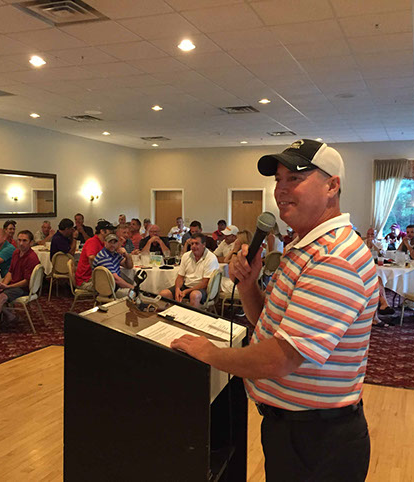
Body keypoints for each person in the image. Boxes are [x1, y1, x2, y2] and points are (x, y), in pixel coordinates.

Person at [170, 139, 377, 481]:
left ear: (332, 186)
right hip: (297, 430)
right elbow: (270, 323)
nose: (281, 189)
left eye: (295, 178)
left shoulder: (334, 259)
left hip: (317, 440)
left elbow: (281, 357)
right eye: (279, 179)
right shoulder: (306, 246)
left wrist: (210, 353)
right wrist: (248, 285)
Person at [160, 233, 219, 307]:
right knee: (164, 294)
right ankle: (172, 313)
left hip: (202, 289)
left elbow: (205, 283)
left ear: (203, 245)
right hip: (186, 286)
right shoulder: (186, 256)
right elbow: (180, 277)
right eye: (192, 244)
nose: (193, 246)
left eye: (197, 244)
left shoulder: (211, 258)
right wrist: (177, 289)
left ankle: (193, 314)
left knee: (194, 295)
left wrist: (187, 291)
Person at [92, 233, 135, 298]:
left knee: (137, 291)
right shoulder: (104, 257)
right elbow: (116, 280)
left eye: (114, 242)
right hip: (108, 290)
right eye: (110, 242)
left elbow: (129, 266)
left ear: (117, 244)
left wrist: (126, 254)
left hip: (114, 287)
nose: (112, 245)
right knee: (134, 294)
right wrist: (133, 288)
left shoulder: (114, 254)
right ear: (105, 243)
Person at [75, 220, 115, 289]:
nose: (112, 233)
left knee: (116, 279)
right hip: (86, 280)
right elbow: (91, 257)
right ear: (102, 231)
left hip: (95, 277)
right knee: (113, 283)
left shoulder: (103, 243)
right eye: (110, 231)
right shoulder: (92, 242)